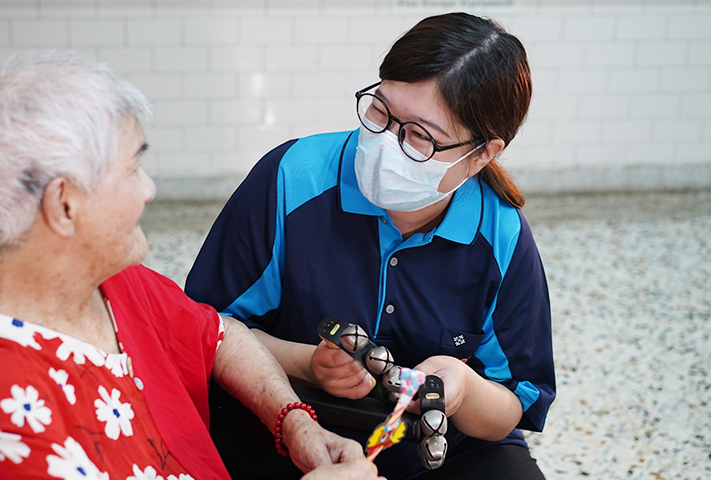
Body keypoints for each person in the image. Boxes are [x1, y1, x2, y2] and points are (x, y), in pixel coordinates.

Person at [0, 50, 384, 480]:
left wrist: (293, 421)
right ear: (65, 205)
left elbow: (218, 336)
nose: (149, 189)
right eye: (132, 169)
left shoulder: (110, 281)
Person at [185, 12, 556, 480]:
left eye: (421, 137)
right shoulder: (292, 177)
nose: (385, 143)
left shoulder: (500, 234)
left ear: (482, 154)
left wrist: (462, 388)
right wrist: (309, 365)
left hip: (431, 449)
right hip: (284, 417)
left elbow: (514, 402)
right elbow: (204, 332)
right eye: (379, 110)